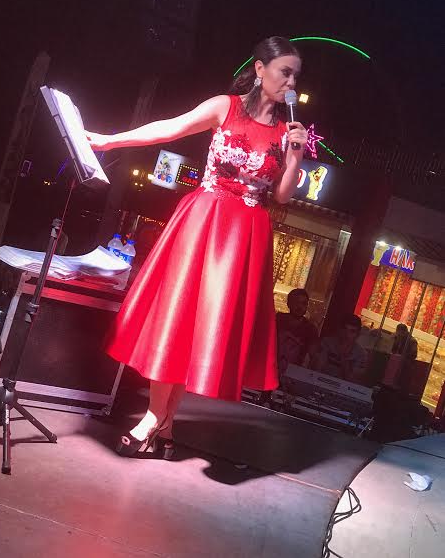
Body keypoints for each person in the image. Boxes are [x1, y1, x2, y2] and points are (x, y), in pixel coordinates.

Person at [86, 36, 308, 458]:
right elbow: (171, 127)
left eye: (296, 75)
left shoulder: (287, 131)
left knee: (206, 324)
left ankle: (164, 424)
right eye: (285, 72)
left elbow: (281, 195)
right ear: (260, 69)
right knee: (179, 314)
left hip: (245, 234)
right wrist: (111, 140)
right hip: (204, 218)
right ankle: (156, 419)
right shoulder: (225, 107)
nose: (291, 83)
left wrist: (296, 155)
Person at [311, 314, 368, 384]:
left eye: (352, 331)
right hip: (320, 382)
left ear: (357, 334)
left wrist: (344, 357)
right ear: (340, 329)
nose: (347, 334)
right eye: (345, 329)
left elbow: (352, 381)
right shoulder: (327, 343)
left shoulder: (361, 354)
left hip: (343, 388)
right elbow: (316, 369)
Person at [277, 288, 319, 374]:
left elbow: (313, 355)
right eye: (296, 302)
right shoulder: (278, 320)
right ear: (288, 303)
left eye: (303, 303)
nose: (300, 307)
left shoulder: (310, 329)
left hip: (293, 373)